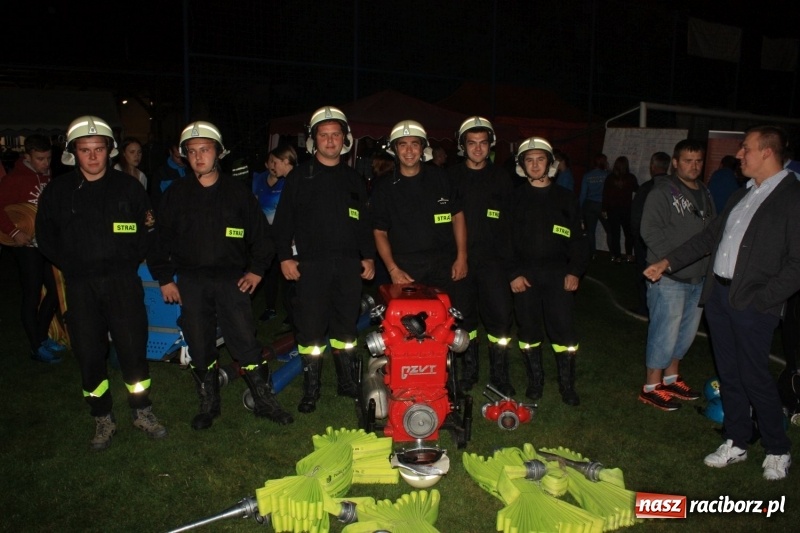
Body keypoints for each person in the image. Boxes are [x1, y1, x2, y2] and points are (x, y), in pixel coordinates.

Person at [644, 125, 800, 481]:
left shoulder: (792, 197)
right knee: (729, 375)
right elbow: (708, 238)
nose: (739, 155)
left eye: (746, 149)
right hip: (720, 299)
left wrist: (763, 299)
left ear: (767, 152)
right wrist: (667, 262)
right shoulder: (742, 194)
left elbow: (797, 264)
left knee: (755, 376)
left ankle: (777, 448)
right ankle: (736, 440)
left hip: (753, 305)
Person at [148, 121, 293, 428]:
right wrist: (164, 278)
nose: (199, 157)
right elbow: (158, 240)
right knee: (199, 343)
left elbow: (262, 238)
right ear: (185, 156)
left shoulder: (237, 194)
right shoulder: (176, 194)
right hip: (191, 282)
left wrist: (255, 271)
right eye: (192, 151)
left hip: (231, 281)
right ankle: (209, 404)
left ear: (219, 153)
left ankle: (265, 401)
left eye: (205, 150)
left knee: (244, 341)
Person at [35, 115, 167, 450]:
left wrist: (126, 261)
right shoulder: (59, 191)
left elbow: (147, 230)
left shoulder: (128, 187)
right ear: (73, 153)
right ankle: (102, 418)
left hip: (123, 283)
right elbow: (45, 236)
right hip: (80, 286)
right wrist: (71, 264)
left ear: (109, 150)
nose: (92, 156)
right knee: (89, 352)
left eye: (98, 149)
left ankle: (142, 411)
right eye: (85, 150)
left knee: (132, 349)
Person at [272, 106, 375, 414]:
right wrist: (284, 259)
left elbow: (363, 222)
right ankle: (311, 389)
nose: (330, 140)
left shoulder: (354, 178)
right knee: (311, 331)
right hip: (311, 265)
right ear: (314, 140)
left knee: (346, 327)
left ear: (345, 139)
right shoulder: (300, 176)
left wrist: (368, 256)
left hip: (347, 265)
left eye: (335, 135)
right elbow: (283, 223)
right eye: (324, 135)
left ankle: (347, 383)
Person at [509, 137, 589, 405]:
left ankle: (567, 385)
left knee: (564, 333)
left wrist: (575, 271)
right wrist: (513, 273)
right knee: (529, 332)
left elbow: (579, 239)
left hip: (558, 275)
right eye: (529, 160)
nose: (535, 164)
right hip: (525, 277)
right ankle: (536, 382)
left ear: (550, 163)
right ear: (522, 165)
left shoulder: (566, 198)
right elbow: (503, 240)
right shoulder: (514, 198)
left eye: (540, 159)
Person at [639, 140, 714, 411]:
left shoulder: (704, 191)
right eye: (687, 161)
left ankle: (671, 378)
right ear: (675, 162)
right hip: (669, 277)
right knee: (664, 331)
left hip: (698, 277)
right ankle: (651, 386)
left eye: (698, 161)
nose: (693, 166)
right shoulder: (663, 192)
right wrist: (671, 262)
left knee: (685, 333)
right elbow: (649, 230)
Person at [448, 116, 515, 395]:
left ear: (491, 146)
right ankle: (469, 371)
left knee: (499, 319)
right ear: (463, 146)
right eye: (472, 143)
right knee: (464, 320)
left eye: (483, 143)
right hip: (460, 261)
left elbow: (512, 225)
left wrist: (512, 266)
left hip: (494, 263)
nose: (477, 148)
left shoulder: (503, 178)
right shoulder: (450, 177)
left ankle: (499, 375)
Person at [371, 120, 467, 291]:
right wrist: (393, 270)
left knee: (446, 316)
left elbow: (457, 217)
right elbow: (379, 232)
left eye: (414, 144)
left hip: (445, 265)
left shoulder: (442, 178)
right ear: (394, 149)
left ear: (423, 148)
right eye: (403, 145)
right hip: (406, 268)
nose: (409, 151)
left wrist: (461, 257)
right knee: (410, 318)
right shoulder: (384, 187)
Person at [0, 134, 62, 363]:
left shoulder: (46, 175)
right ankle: (36, 346)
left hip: (45, 243)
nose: (45, 163)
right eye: (40, 158)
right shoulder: (14, 179)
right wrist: (14, 232)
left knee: (55, 292)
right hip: (25, 246)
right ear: (27, 156)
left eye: (48, 158)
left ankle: (41, 337)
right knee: (32, 293)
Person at [253, 144, 296, 322]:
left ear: (285, 161)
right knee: (270, 273)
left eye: (275, 161)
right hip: (269, 236)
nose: (272, 165)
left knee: (291, 274)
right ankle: (273, 308)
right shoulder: (259, 180)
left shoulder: (294, 181)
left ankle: (293, 312)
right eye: (269, 161)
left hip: (290, 238)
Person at [630, 151, 671, 317]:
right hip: (668, 242)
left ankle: (645, 307)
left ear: (652, 167)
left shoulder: (647, 188)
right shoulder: (675, 188)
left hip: (646, 242)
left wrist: (636, 238)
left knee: (645, 272)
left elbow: (636, 217)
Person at [602, 156, 639, 263]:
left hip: (612, 210)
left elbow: (605, 194)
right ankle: (628, 255)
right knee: (629, 234)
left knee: (615, 234)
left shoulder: (610, 178)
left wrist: (604, 209)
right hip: (626, 209)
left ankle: (616, 256)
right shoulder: (631, 178)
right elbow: (637, 189)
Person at [579, 153, 609, 257]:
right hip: (602, 205)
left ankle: (593, 253)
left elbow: (583, 194)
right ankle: (614, 254)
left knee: (590, 231)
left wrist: (580, 208)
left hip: (589, 204)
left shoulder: (587, 175)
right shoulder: (607, 175)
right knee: (609, 230)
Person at [149, 144, 187, 212]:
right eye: (178, 157)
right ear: (170, 152)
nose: (181, 161)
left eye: (184, 157)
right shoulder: (160, 174)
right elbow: (156, 202)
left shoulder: (193, 169)